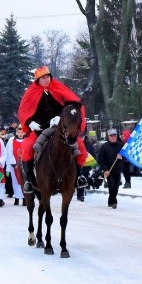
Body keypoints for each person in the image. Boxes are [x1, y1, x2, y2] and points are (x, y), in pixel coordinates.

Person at [17, 65, 88, 195]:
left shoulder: (58, 88)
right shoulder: (31, 92)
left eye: (48, 77)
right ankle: (28, 180)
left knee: (81, 148)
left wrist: (60, 117)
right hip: (39, 129)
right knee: (26, 147)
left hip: (59, 128)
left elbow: (71, 105)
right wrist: (30, 122)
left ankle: (78, 176)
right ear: (37, 80)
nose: (46, 80)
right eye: (43, 78)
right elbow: (23, 111)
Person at [97, 127, 124, 209]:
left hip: (118, 170)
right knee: (111, 186)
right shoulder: (104, 147)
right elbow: (101, 159)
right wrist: (105, 170)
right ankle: (113, 202)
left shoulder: (121, 145)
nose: (113, 137)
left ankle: (111, 201)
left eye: (114, 135)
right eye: (111, 135)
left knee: (116, 187)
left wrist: (121, 157)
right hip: (109, 170)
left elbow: (126, 156)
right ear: (108, 137)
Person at [5, 125, 27, 206]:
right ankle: (17, 198)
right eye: (18, 132)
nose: (20, 134)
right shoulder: (11, 140)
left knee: (24, 182)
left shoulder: (26, 140)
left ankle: (24, 198)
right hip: (15, 165)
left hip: (24, 165)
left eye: (22, 132)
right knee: (15, 182)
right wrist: (14, 164)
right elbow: (9, 152)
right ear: (16, 133)